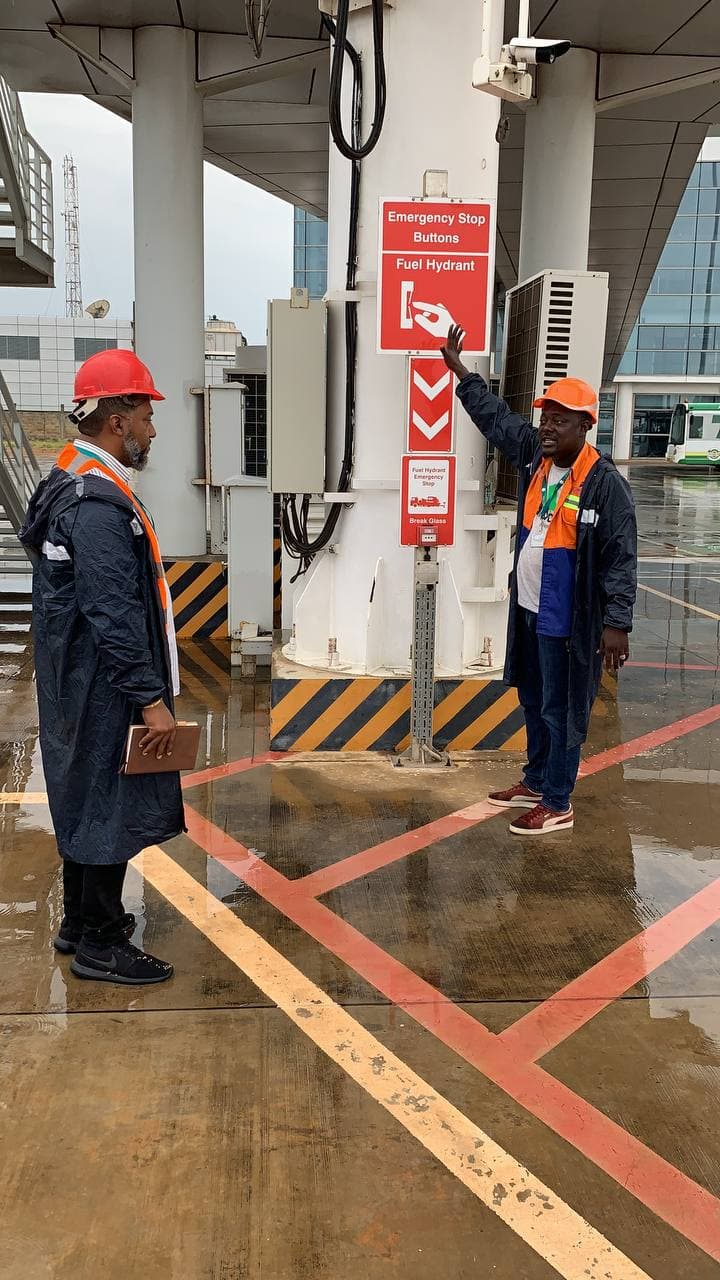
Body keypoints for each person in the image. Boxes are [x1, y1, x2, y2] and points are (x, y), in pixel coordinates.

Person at [20, 348, 184, 983]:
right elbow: (113, 611)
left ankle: (77, 923)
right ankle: (101, 941)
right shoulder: (96, 506)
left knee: (83, 794)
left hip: (76, 677)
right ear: (117, 419)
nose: (152, 429)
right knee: (109, 802)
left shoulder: (68, 478)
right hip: (102, 683)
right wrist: (150, 699)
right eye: (145, 414)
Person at [441, 325, 637, 835]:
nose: (547, 427)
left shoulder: (604, 484)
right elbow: (497, 420)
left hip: (567, 618)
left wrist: (617, 623)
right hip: (529, 607)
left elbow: (620, 557)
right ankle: (535, 780)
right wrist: (462, 373)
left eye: (560, 420)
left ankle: (557, 800)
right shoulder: (537, 457)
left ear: (585, 426)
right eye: (545, 418)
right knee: (531, 696)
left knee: (562, 708)